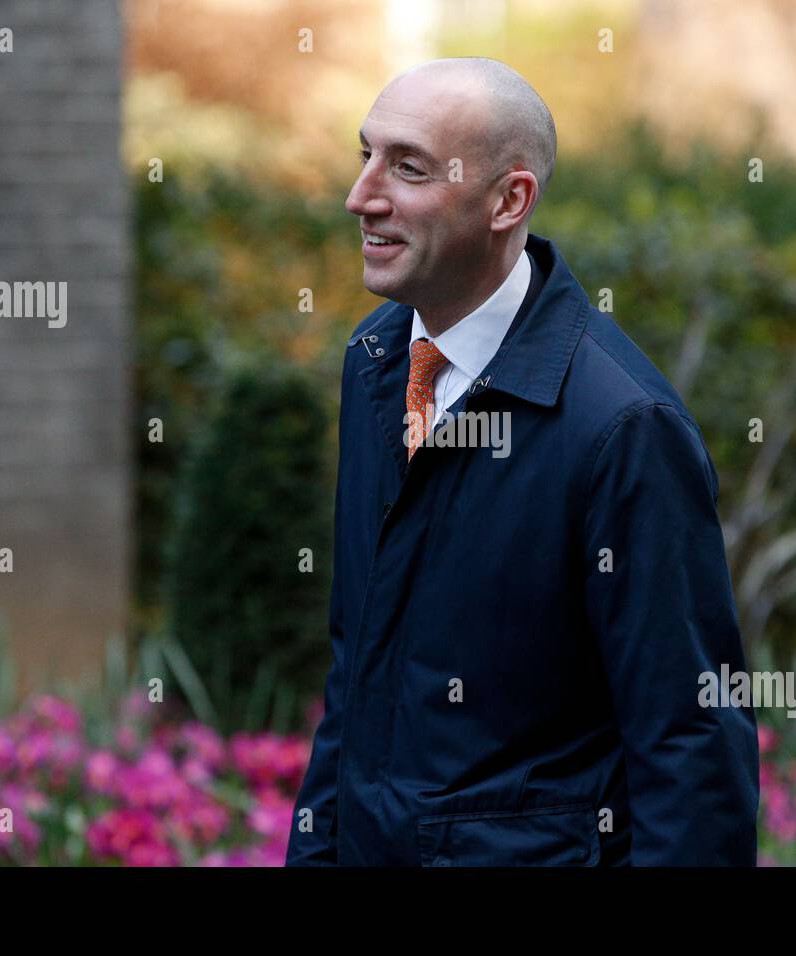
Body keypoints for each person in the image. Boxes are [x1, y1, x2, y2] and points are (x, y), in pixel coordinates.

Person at [285, 57, 758, 866]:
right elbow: (356, 680)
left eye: (408, 167)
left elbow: (689, 740)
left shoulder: (623, 427)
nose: (360, 196)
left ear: (509, 201)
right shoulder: (374, 363)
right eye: (364, 155)